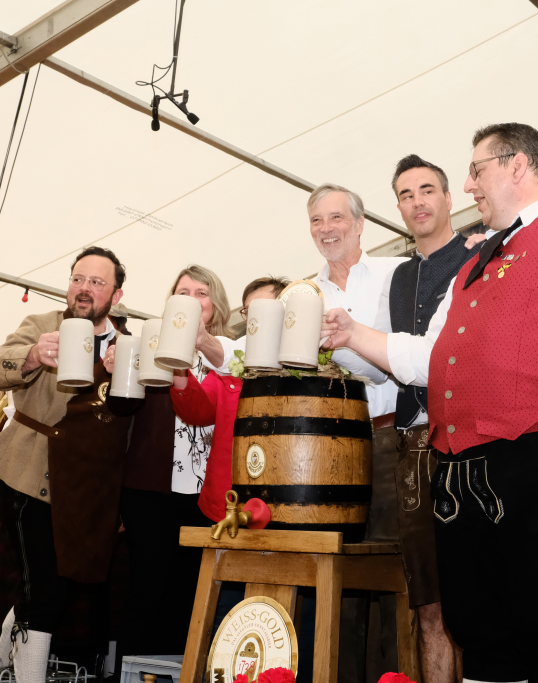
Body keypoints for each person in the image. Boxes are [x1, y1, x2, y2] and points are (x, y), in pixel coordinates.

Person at [323, 123, 538, 681]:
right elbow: (429, 358)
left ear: (517, 165)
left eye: (476, 170)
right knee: (481, 634)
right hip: (460, 472)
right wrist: (353, 334)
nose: (469, 186)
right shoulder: (475, 263)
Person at [0, 246, 135, 682]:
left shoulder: (130, 345)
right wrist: (32, 355)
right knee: (45, 586)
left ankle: (0, 662)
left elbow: (134, 425)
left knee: (58, 583)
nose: (84, 288)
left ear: (116, 296)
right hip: (31, 471)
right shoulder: (42, 324)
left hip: (88, 487)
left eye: (97, 282)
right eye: (77, 278)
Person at [109, 264, 234, 657]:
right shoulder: (151, 341)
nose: (192, 300)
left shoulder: (231, 353)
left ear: (216, 304)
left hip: (207, 494)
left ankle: (181, 671)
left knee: (192, 591)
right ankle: (133, 672)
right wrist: (113, 369)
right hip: (149, 487)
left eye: (202, 292)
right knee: (146, 587)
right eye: (184, 292)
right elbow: (123, 407)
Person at [387, 154, 471, 683]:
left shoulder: (479, 255)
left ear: (448, 197)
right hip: (412, 445)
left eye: (426, 190)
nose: (417, 202)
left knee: (474, 596)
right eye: (406, 194)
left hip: (467, 440)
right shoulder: (399, 275)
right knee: (428, 603)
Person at [308, 183, 407, 541]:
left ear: (361, 223)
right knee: (339, 551)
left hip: (392, 438)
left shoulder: (398, 273)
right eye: (316, 220)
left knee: (394, 551)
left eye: (336, 217)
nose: (326, 228)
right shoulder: (305, 295)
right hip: (328, 445)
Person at [170, 276, 289, 521]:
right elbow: (198, 412)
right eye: (249, 312)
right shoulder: (229, 367)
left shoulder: (303, 364)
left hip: (287, 497)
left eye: (264, 309)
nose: (255, 319)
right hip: (227, 500)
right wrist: (178, 370)